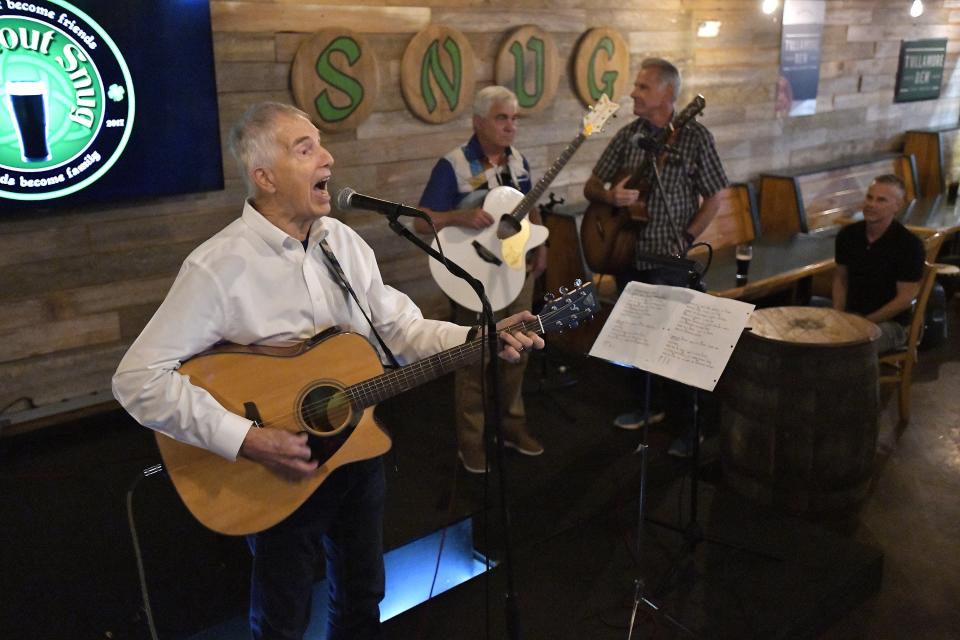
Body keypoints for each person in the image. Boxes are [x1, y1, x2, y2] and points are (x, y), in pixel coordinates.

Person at [111, 102, 543, 640]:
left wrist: (477, 338)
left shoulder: (343, 242)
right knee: (282, 616)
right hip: (274, 471)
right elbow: (137, 379)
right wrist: (246, 438)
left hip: (357, 453)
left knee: (364, 595)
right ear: (264, 177)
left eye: (321, 143)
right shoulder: (218, 266)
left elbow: (400, 329)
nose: (329, 158)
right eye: (306, 148)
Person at [582, 58, 728, 456]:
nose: (633, 93)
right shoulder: (628, 135)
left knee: (676, 344)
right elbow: (592, 183)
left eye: (643, 87)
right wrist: (610, 196)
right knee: (637, 338)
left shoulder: (695, 138)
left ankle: (690, 423)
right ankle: (648, 407)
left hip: (669, 257)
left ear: (668, 95)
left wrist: (688, 236)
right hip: (627, 252)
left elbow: (716, 195)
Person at [415, 86, 547, 474]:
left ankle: (512, 427)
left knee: (517, 352)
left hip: (516, 270)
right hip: (473, 277)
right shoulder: (453, 165)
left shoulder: (518, 161)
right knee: (474, 358)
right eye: (502, 118)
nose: (511, 126)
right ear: (478, 122)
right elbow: (418, 220)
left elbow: (529, 207)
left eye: (515, 118)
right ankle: (471, 443)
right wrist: (458, 217)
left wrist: (543, 244)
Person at [833, 174, 925, 354]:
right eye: (869, 197)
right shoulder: (848, 235)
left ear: (897, 206)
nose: (871, 204)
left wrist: (865, 321)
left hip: (891, 323)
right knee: (810, 337)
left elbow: (904, 299)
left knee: (851, 347)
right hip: (852, 315)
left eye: (881, 200)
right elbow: (840, 279)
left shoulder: (909, 244)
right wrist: (838, 314)